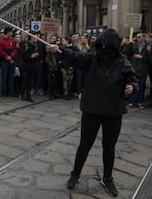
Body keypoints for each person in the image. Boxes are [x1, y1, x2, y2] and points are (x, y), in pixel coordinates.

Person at [49, 28, 138, 197]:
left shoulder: (123, 63)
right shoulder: (92, 59)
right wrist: (60, 50)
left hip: (113, 111)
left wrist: (132, 87)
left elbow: (133, 79)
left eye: (106, 45)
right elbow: (75, 57)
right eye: (101, 45)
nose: (103, 48)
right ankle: (75, 174)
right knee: (85, 144)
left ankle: (108, 178)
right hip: (92, 109)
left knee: (109, 146)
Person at [0, 27, 17, 97]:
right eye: (11, 32)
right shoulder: (1, 41)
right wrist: (7, 57)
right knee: (4, 77)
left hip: (11, 61)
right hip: (4, 62)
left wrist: (11, 57)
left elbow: (15, 50)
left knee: (11, 77)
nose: (12, 33)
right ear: (8, 32)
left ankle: (11, 92)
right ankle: (3, 92)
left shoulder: (12, 41)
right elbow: (0, 51)